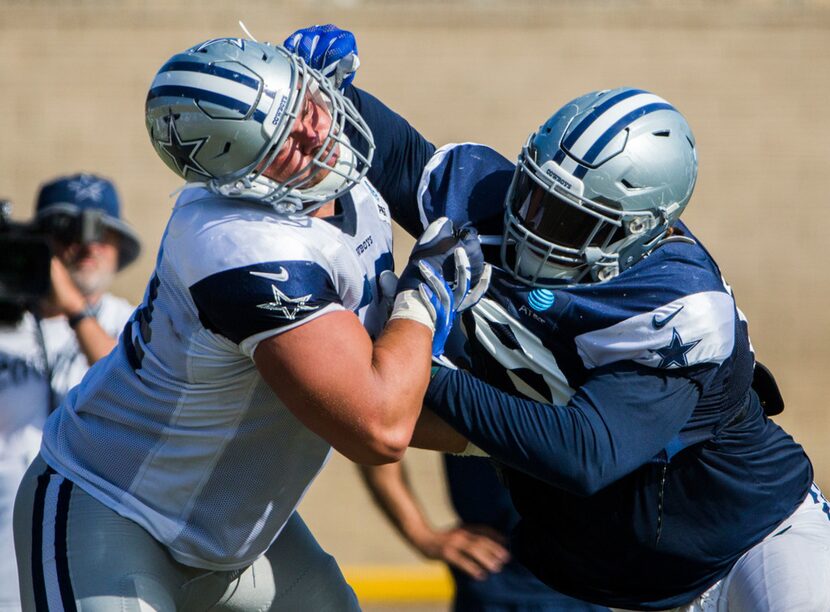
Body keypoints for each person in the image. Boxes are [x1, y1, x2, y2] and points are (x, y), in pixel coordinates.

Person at [282, 25, 830, 611]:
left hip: (755, 547)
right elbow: (391, 153)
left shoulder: (675, 307)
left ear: (636, 233)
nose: (532, 224)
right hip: (618, 583)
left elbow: (584, 453)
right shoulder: (495, 200)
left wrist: (421, 363)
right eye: (535, 194)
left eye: (570, 220)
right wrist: (322, 101)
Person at [13, 38, 487, 611]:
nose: (315, 134)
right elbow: (378, 425)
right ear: (238, 177)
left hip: (237, 535)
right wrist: (425, 293)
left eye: (307, 106)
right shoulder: (238, 246)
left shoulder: (347, 184)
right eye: (284, 140)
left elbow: (397, 390)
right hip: (113, 509)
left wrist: (530, 439)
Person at [0, 173, 139, 611]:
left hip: (98, 551)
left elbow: (132, 391)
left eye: (103, 233)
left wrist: (76, 311)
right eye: (68, 233)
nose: (88, 246)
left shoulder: (134, 323)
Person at [361, 457, 608, 611]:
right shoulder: (460, 372)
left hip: (587, 583)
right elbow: (374, 429)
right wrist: (422, 535)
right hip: (495, 579)